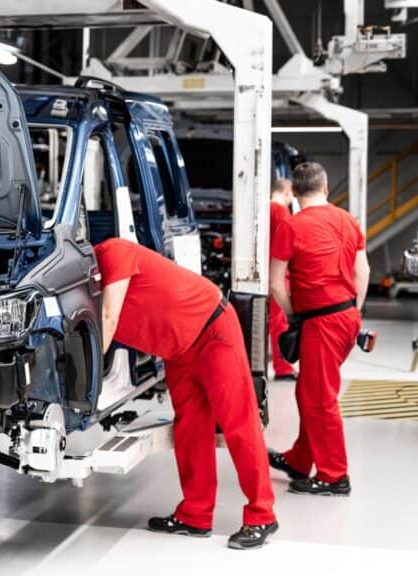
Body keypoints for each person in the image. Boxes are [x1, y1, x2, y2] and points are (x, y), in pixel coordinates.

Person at [95, 237, 278, 550]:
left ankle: (262, 514)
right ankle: (195, 515)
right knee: (190, 429)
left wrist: (87, 376)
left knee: (239, 423)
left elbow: (109, 318)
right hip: (177, 350)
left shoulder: (114, 251)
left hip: (212, 330)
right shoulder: (86, 290)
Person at [267, 162, 369, 496]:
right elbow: (363, 272)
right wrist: (354, 311)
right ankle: (299, 461)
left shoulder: (291, 226)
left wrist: (294, 315)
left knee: (320, 398)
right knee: (310, 391)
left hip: (320, 321)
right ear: (325, 188)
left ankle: (334, 476)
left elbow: (275, 283)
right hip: (346, 317)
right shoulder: (348, 220)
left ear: (295, 192)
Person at [269, 178, 296, 381]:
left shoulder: (263, 209)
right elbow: (289, 244)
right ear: (286, 192)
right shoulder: (280, 212)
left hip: (264, 273)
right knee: (280, 323)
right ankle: (283, 368)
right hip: (279, 273)